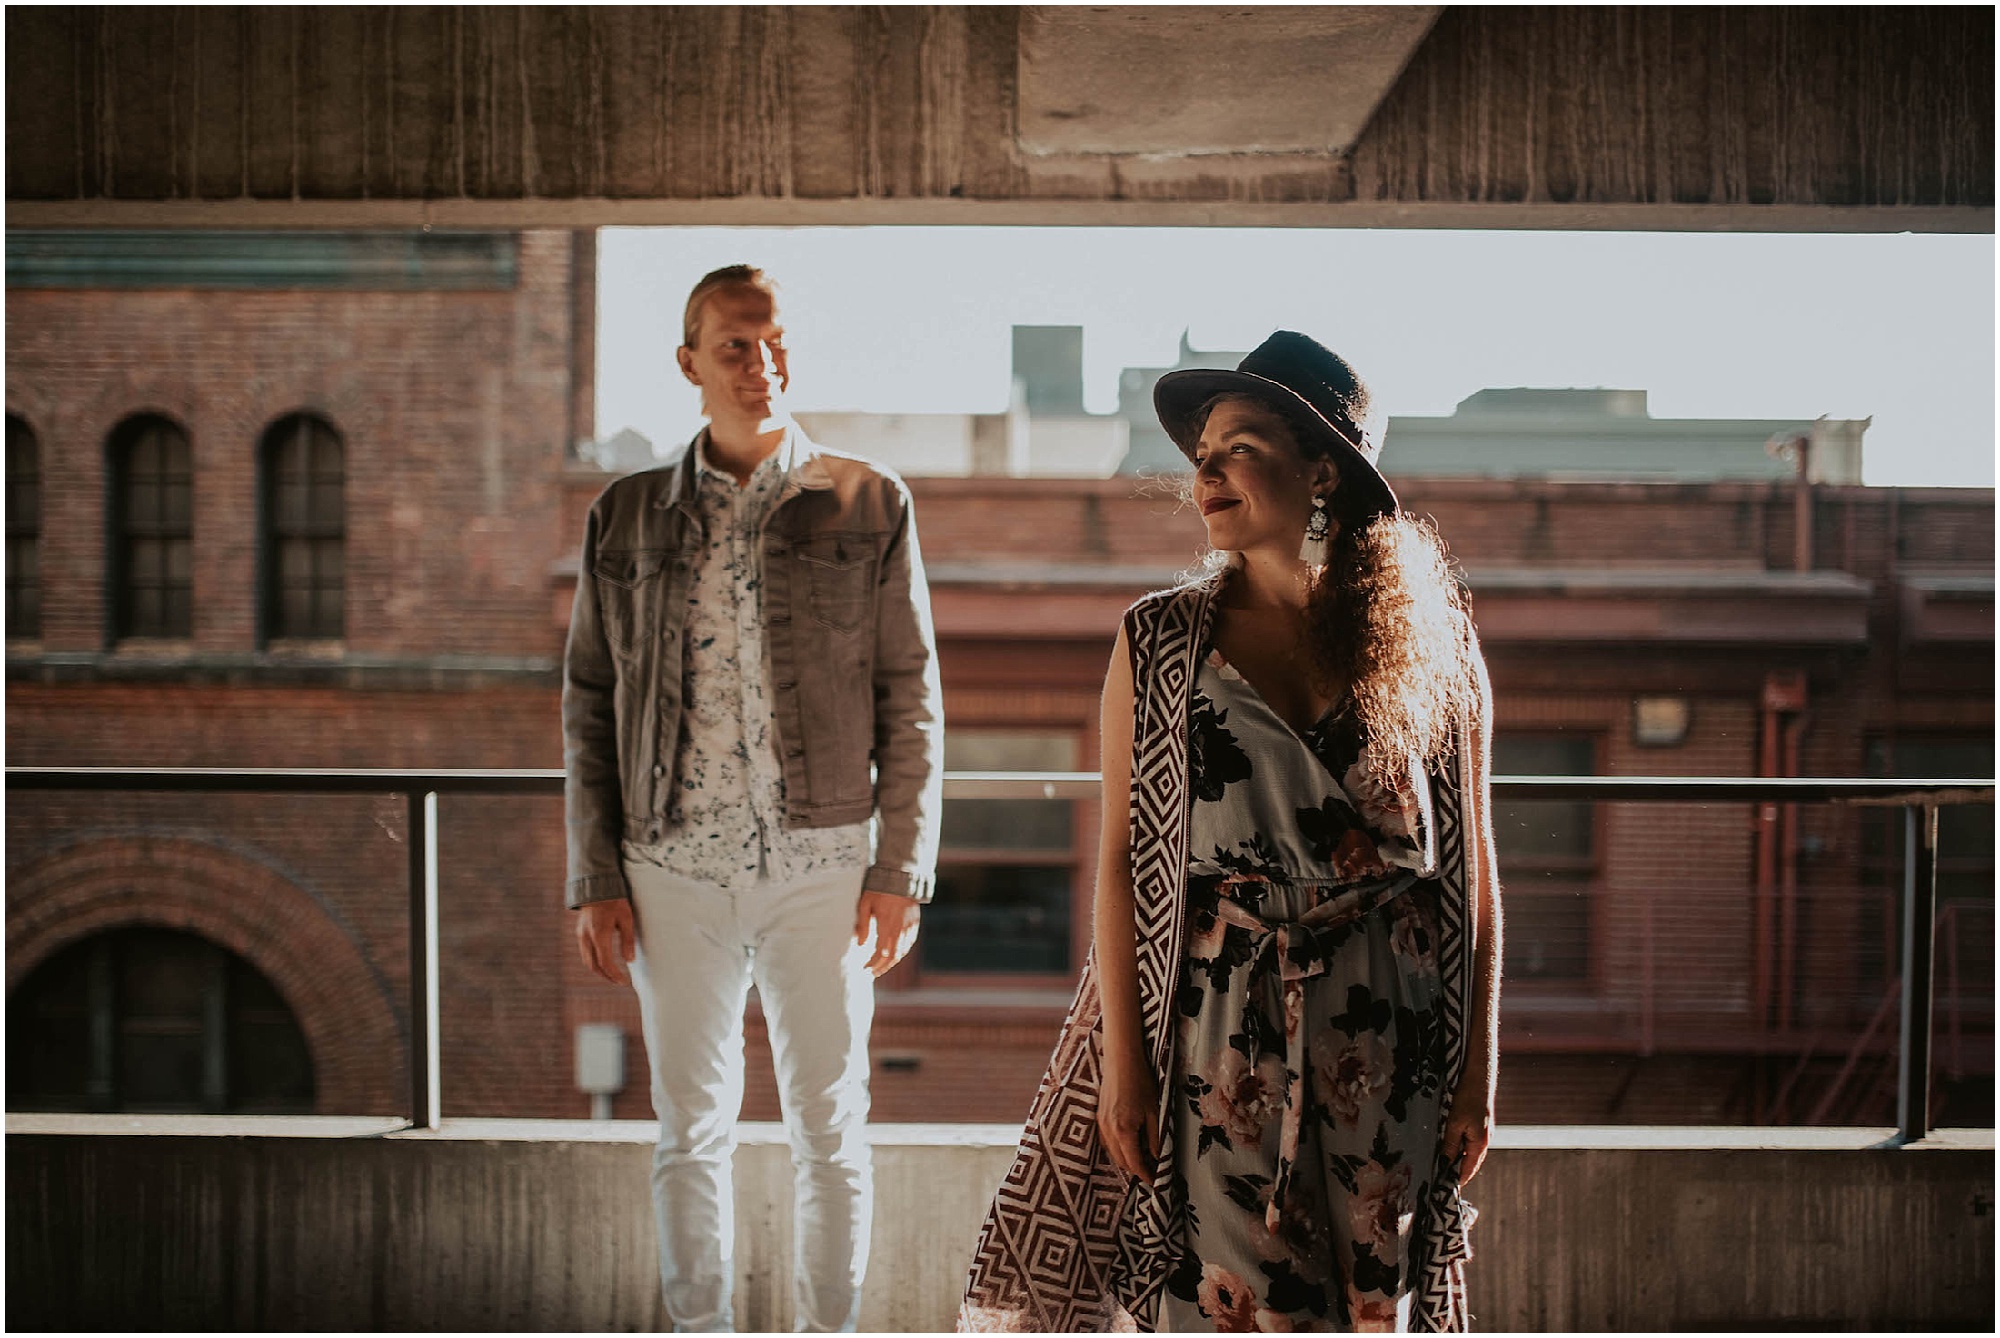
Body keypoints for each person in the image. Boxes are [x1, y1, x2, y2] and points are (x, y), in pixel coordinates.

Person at [961, 332, 1500, 1333]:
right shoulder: (1160, 640)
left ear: (1322, 470)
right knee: (1228, 1307)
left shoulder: (1431, 642)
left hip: (1391, 1024)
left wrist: (1478, 1074)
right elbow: (1121, 863)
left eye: (1238, 448)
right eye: (1200, 454)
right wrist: (1126, 1068)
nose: (1203, 474)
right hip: (1217, 1026)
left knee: (1372, 1304)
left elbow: (1469, 871)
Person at [563, 264, 943, 1333]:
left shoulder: (870, 501)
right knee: (689, 1130)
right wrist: (594, 873)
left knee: (830, 1127)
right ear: (689, 361)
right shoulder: (625, 515)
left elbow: (911, 692)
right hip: (667, 867)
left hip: (824, 865)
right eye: (734, 344)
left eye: (775, 343)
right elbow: (588, 700)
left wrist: (900, 869)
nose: (760, 363)